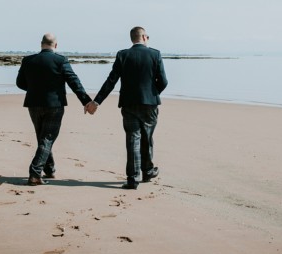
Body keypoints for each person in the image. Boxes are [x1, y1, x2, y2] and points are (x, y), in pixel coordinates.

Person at [85, 26, 168, 189]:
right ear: (144, 37)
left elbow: (111, 81)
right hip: (150, 104)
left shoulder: (123, 55)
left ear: (132, 38)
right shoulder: (155, 54)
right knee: (147, 138)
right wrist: (152, 93)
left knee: (132, 139)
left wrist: (96, 102)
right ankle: (148, 170)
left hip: (129, 104)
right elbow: (163, 81)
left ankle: (133, 178)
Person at [16, 33, 92, 186]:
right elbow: (73, 81)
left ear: (41, 44)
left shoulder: (28, 60)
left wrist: (34, 90)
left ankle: (49, 169)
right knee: (47, 138)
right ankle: (35, 173)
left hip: (33, 104)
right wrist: (86, 101)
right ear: (55, 45)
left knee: (42, 137)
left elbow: (20, 83)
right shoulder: (60, 60)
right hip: (54, 105)